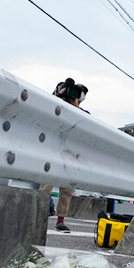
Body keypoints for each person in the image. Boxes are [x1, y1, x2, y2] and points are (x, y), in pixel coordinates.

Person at [40, 77, 90, 233]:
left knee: (67, 188)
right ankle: (39, 214)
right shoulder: (57, 105)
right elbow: (47, 112)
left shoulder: (83, 112)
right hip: (53, 150)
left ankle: (60, 220)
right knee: (46, 185)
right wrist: (59, 95)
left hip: (70, 153)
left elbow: (86, 122)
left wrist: (75, 106)